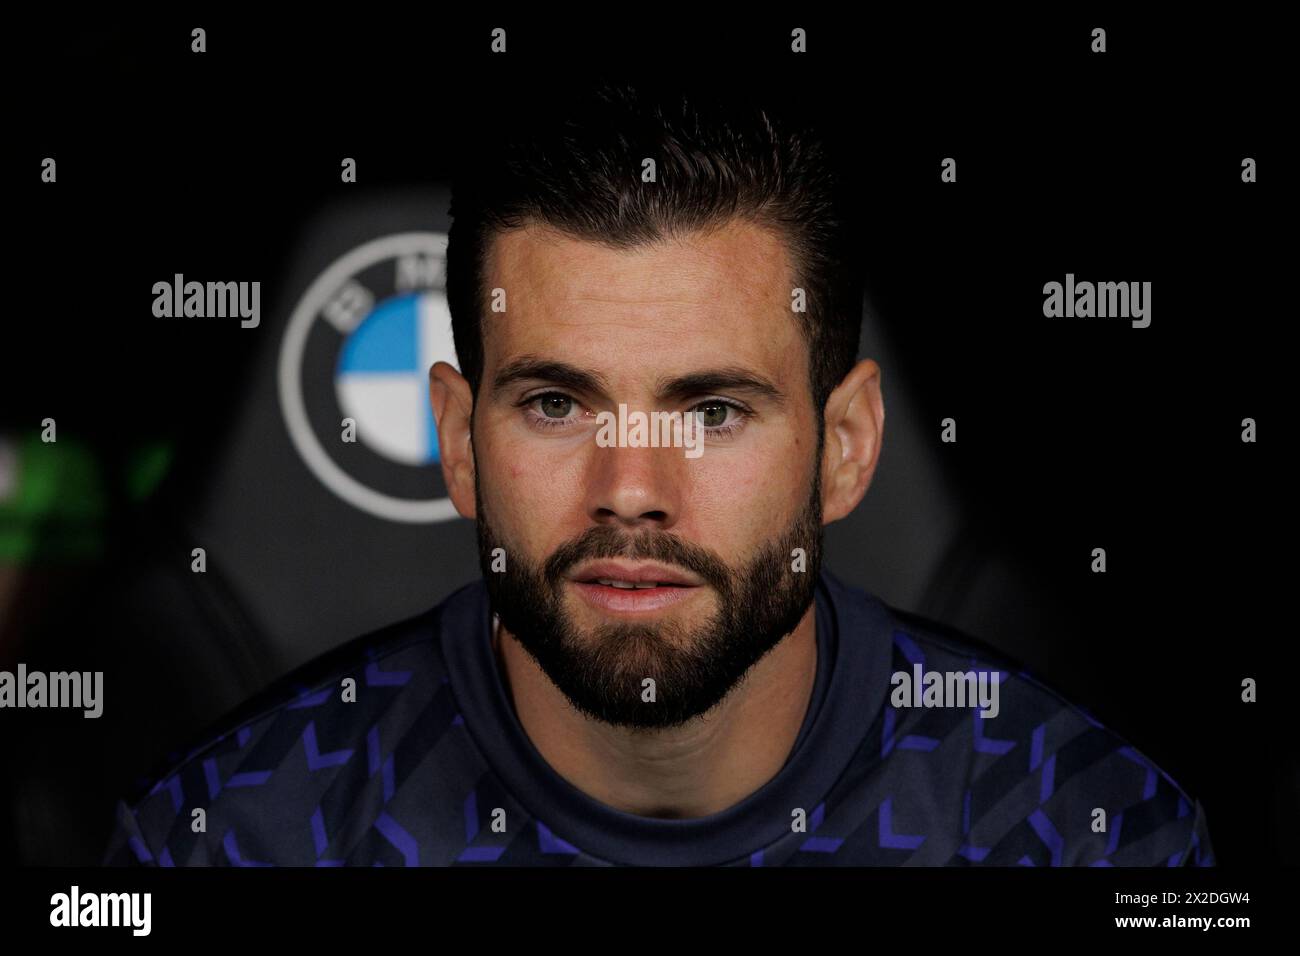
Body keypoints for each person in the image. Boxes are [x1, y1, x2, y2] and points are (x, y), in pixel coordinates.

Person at [102, 80, 1212, 867]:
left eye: (714, 409)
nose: (630, 486)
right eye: (554, 403)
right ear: (456, 438)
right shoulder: (221, 839)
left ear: (847, 444)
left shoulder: (1089, 830)